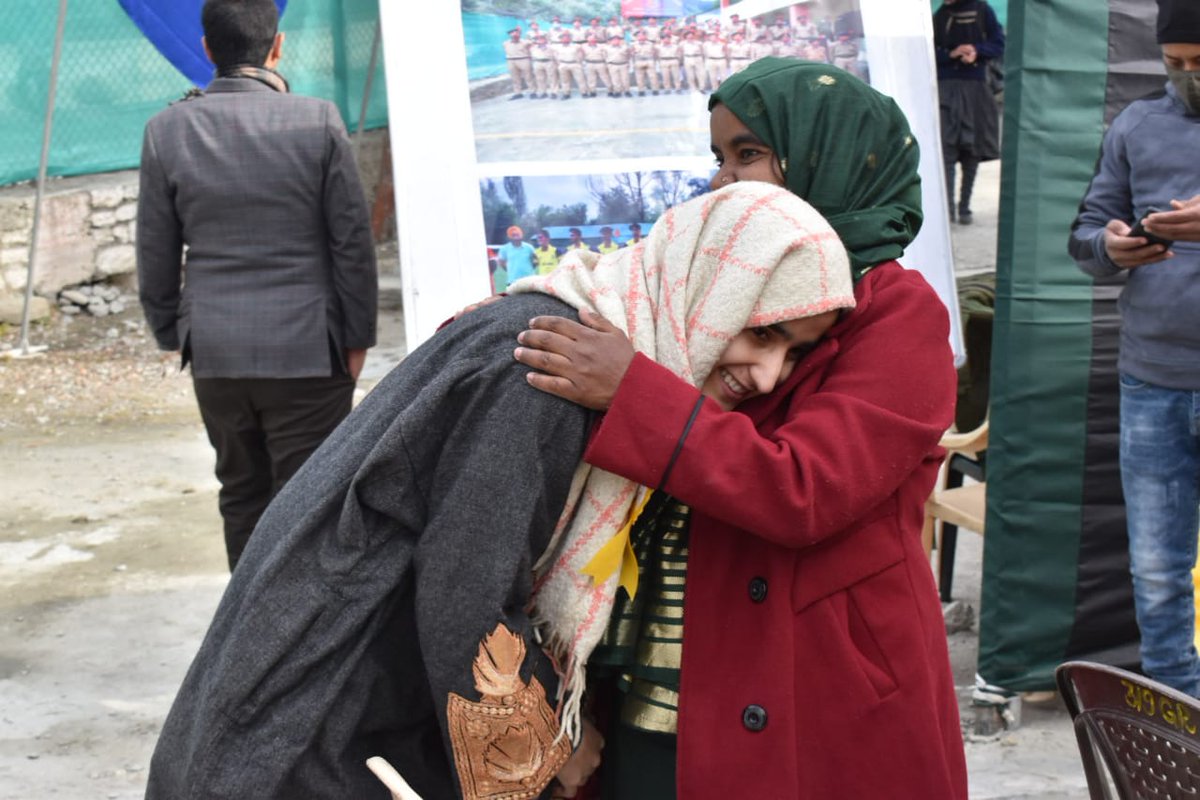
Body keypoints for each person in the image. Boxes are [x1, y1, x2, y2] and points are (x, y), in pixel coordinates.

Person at [144, 181, 856, 800]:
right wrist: (553, 749)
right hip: (308, 740)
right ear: (713, 288)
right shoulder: (542, 371)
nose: (767, 375)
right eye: (764, 334)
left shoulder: (567, 340)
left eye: (791, 355)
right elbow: (467, 603)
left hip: (317, 721)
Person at [511, 58, 967, 798]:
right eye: (720, 158)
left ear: (827, 156)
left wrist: (631, 391)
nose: (726, 181)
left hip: (818, 684)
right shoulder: (705, 287)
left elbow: (804, 487)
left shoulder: (897, 313)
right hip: (654, 676)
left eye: (750, 154)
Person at [136, 0, 377, 571]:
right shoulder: (318, 120)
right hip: (309, 351)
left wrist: (171, 331)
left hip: (216, 351)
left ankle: (245, 641)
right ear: (277, 46)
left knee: (240, 493)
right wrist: (358, 338)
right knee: (311, 503)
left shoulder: (166, 129)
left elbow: (155, 249)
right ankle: (303, 642)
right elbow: (352, 245)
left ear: (206, 49)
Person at [1068, 0, 1200, 698]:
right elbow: (1086, 231)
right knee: (1156, 568)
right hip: (1152, 380)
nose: (1186, 79)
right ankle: (1180, 718)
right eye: (1174, 65)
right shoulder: (1138, 123)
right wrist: (1111, 248)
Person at [933, 0, 1004, 224]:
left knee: (971, 149)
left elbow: (998, 44)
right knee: (947, 149)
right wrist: (951, 53)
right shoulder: (941, 14)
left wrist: (976, 51)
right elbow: (928, 51)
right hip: (946, 89)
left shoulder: (982, 10)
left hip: (975, 88)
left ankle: (964, 207)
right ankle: (948, 210)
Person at [502, 27, 533, 100]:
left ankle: (532, 91)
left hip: (524, 59)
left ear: (519, 34)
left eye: (516, 33)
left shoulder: (525, 42)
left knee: (528, 76)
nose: (514, 34)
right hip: (511, 61)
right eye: (512, 33)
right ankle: (518, 93)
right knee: (515, 78)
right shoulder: (505, 43)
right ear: (509, 35)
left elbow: (531, 46)